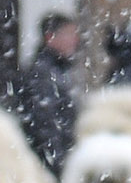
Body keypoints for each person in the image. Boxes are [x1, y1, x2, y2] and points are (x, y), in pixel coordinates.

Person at [17, 12, 85, 172]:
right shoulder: (43, 74)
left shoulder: (58, 71)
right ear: (50, 37)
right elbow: (45, 125)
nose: (75, 40)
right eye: (68, 34)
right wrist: (59, 166)